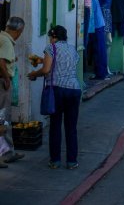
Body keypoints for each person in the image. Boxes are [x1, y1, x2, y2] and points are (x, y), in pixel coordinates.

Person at [28, 26, 82, 170]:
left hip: (57, 90)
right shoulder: (72, 49)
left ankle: (55, 161)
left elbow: (46, 69)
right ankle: (72, 161)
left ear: (53, 37)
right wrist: (42, 60)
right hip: (74, 89)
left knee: (55, 126)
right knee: (71, 127)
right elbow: (63, 64)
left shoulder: (50, 48)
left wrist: (34, 74)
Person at [0, 17, 25, 165]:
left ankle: (8, 151)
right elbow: (1, 61)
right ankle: (5, 153)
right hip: (2, 83)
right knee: (2, 119)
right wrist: (6, 78)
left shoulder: (2, 37)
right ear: (18, 30)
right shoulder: (7, 42)